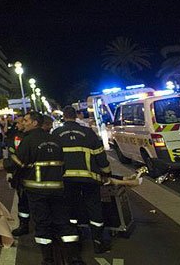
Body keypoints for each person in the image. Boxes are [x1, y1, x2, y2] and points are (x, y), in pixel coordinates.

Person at [0, 112, 84, 264]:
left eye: (27, 120)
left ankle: (48, 259)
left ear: (35, 123)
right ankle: (74, 258)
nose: (24, 123)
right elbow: (63, 163)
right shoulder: (54, 139)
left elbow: (17, 163)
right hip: (58, 189)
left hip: (37, 191)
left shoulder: (28, 141)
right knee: (64, 223)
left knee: (42, 225)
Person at [54, 106, 112, 254]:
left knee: (70, 208)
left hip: (66, 179)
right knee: (94, 208)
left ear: (64, 117)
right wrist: (107, 173)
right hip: (89, 179)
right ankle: (98, 242)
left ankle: (75, 241)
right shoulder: (88, 133)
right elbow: (101, 156)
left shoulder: (56, 134)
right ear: (76, 116)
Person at [6, 117, 31, 237]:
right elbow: (11, 153)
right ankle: (24, 224)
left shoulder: (29, 137)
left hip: (27, 173)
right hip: (19, 174)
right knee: (22, 201)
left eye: (21, 122)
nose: (18, 125)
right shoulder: (16, 136)